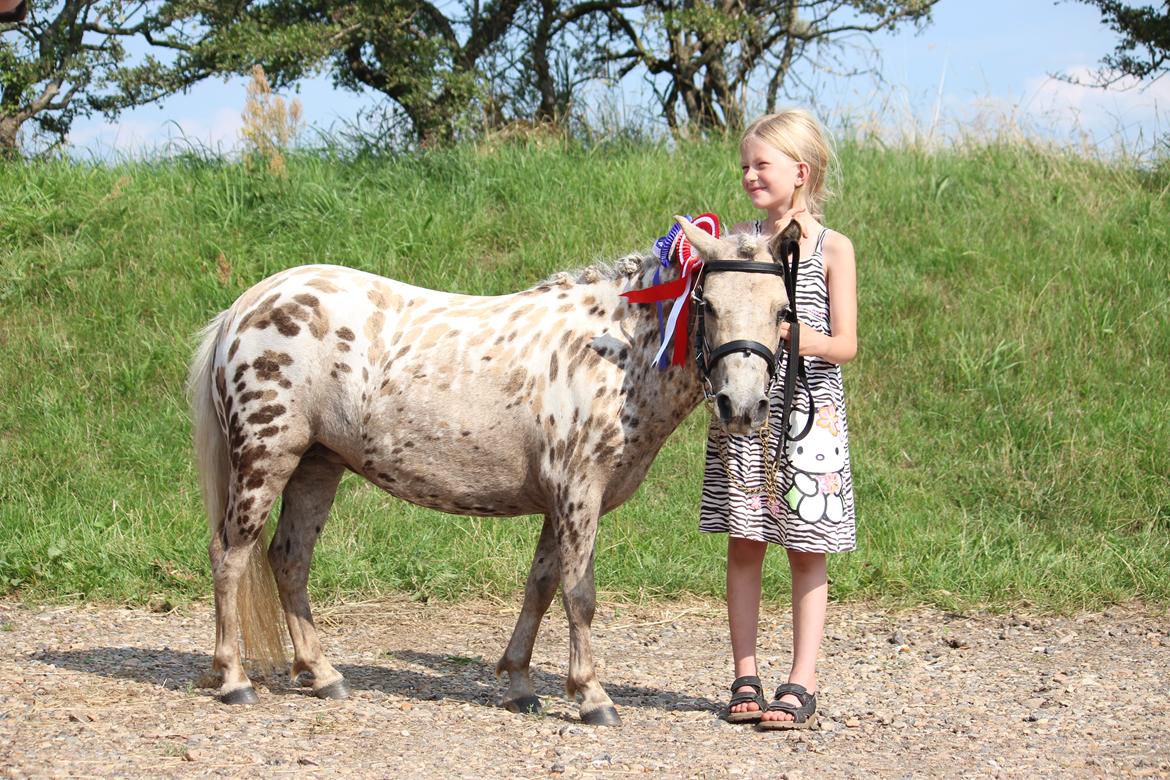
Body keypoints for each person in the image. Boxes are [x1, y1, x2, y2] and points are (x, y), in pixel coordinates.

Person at [700, 109, 858, 730]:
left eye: (760, 164)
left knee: (806, 550)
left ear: (802, 171)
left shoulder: (834, 248)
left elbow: (847, 343)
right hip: (747, 415)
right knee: (745, 543)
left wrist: (799, 339)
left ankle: (803, 678)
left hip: (810, 417)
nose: (749, 175)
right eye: (743, 165)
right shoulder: (741, 244)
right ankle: (745, 672)